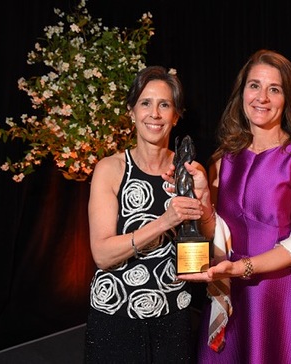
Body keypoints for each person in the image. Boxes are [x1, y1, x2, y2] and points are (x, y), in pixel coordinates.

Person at [178, 49, 291, 363]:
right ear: (242, 93)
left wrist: (242, 268)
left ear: (287, 99)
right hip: (232, 297)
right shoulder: (221, 159)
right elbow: (217, 233)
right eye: (254, 86)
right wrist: (202, 202)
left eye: (274, 89)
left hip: (284, 299)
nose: (262, 97)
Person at [84, 65, 214, 363]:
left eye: (164, 105)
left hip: (173, 316)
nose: (154, 114)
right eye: (145, 103)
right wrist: (164, 222)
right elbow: (102, 254)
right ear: (131, 111)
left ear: (176, 116)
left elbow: (205, 243)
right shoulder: (111, 169)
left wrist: (204, 200)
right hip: (115, 316)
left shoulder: (189, 170)